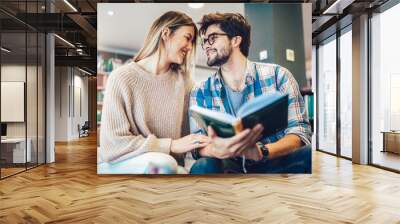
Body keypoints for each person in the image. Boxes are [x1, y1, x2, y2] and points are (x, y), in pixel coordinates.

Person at [187, 13, 312, 174]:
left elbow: (299, 131)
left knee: (308, 155)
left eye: (212, 38)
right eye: (204, 41)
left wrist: (262, 152)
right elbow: (197, 144)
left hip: (272, 158)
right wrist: (216, 150)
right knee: (202, 167)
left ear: (235, 40)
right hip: (228, 163)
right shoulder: (200, 91)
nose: (206, 46)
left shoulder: (278, 75)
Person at [99, 11, 210, 174]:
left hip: (169, 165)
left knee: (179, 170)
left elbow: (189, 137)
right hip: (124, 161)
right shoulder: (121, 78)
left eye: (192, 41)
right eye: (187, 38)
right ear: (166, 33)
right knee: (165, 164)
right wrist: (170, 145)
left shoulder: (184, 83)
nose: (190, 46)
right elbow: (113, 145)